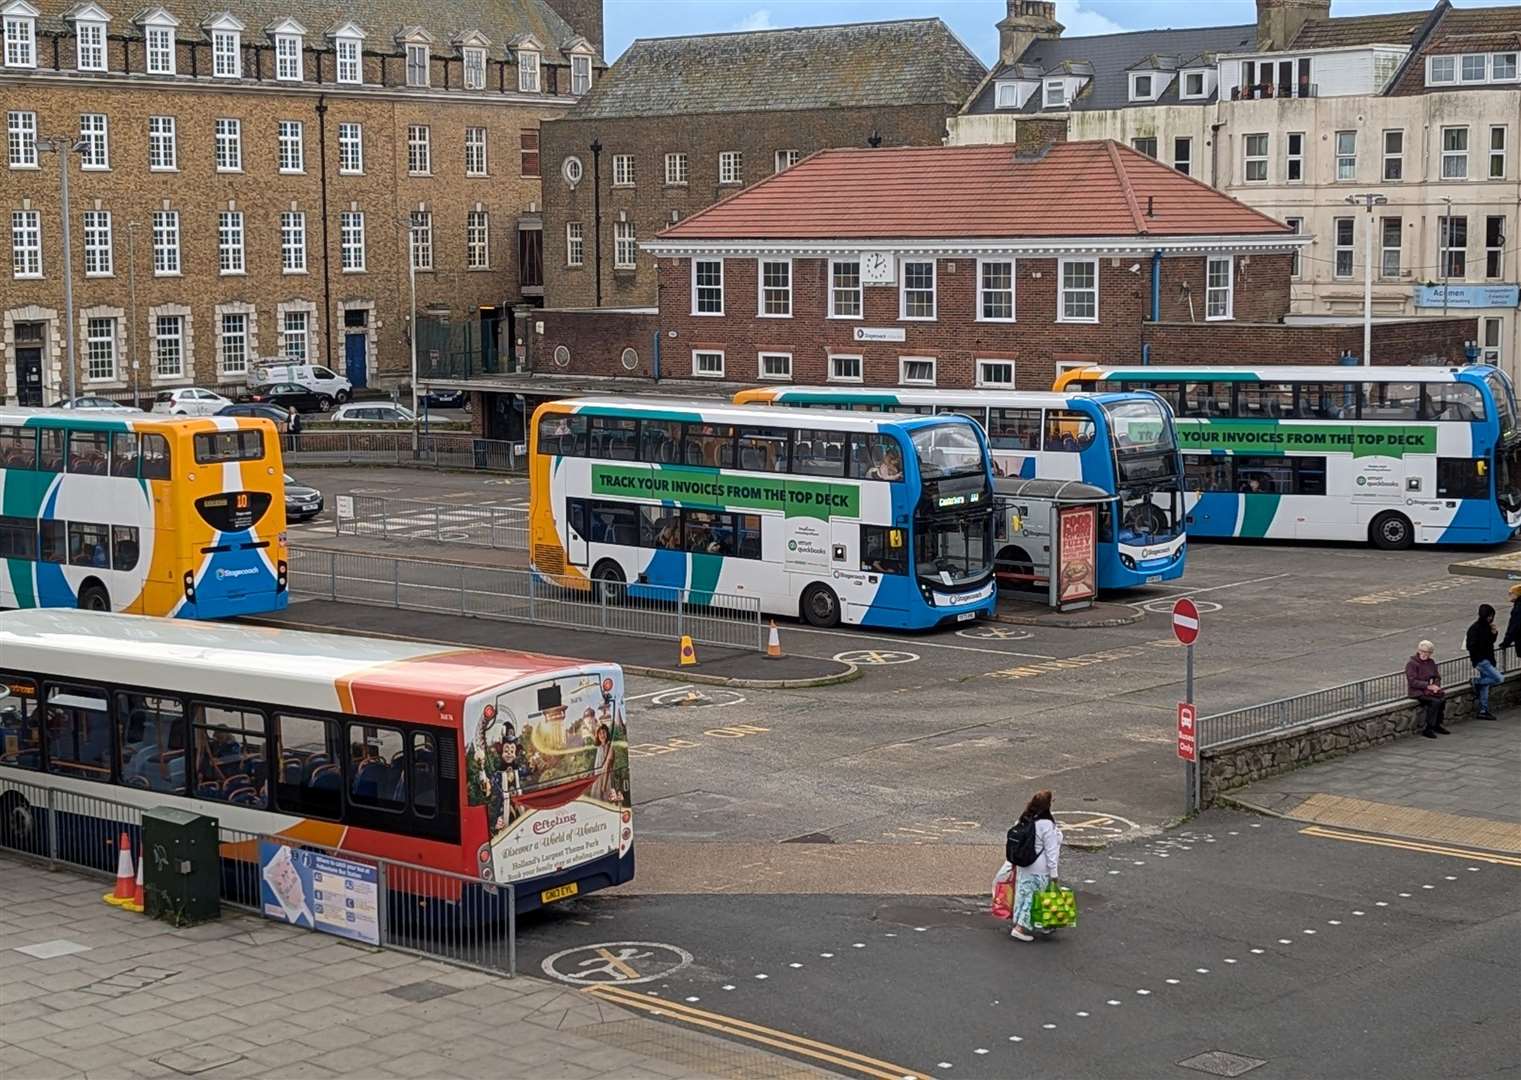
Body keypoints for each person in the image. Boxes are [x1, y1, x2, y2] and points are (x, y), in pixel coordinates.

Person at [1009, 789, 1062, 942]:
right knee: (1036, 898)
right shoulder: (1046, 824)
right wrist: (1054, 873)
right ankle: (1020, 928)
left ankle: (1044, 924)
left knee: (1024, 895)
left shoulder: (1025, 817)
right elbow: (1051, 851)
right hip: (1040, 867)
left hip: (1024, 864)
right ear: (1048, 805)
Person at [1406, 639, 1448, 738]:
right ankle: (1429, 728)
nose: (1424, 654)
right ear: (1419, 651)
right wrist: (1427, 685)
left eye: (1428, 652)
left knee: (1442, 700)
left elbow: (1437, 676)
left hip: (1429, 690)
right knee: (1435, 702)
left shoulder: (1431, 662)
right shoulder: (1412, 663)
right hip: (1417, 691)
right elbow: (1412, 681)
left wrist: (1436, 686)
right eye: (1423, 651)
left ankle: (1438, 724)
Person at [1467, 604, 1502, 721]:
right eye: (1490, 616)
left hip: (1488, 658)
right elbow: (1470, 646)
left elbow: (1490, 642)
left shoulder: (1487, 627)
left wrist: (1494, 633)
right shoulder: (1474, 629)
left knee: (1485, 687)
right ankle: (1475, 681)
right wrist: (1479, 657)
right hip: (1482, 660)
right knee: (1499, 678)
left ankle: (1483, 710)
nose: (1491, 619)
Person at [1498, 583, 1521, 661]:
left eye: (1511, 593)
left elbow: (1514, 627)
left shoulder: (1518, 608)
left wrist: (1506, 643)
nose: (1509, 595)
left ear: (1517, 594)